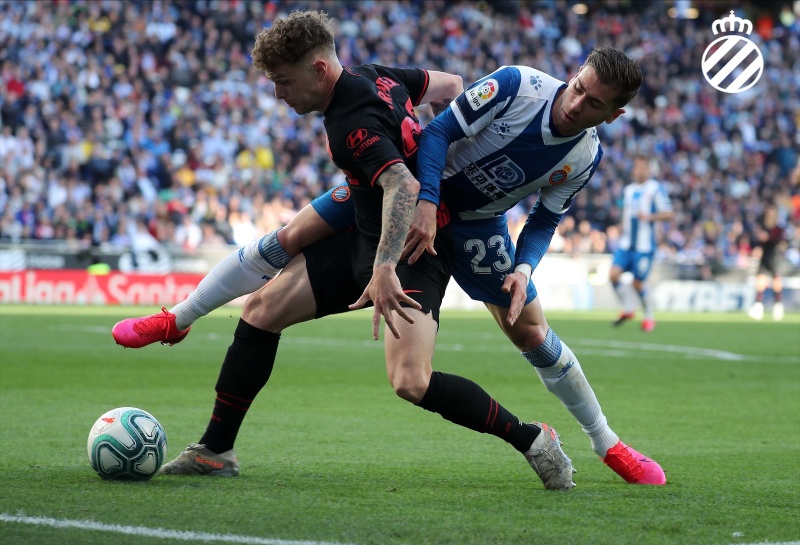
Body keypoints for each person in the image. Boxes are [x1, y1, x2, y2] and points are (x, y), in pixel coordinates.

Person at [114, 44, 665, 485]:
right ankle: (195, 378)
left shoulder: (583, 156)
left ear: (613, 115)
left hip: (474, 227)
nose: (576, 103)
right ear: (573, 73)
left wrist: (524, 269)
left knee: (529, 330)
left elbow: (544, 219)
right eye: (578, 87)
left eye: (593, 103)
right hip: (404, 192)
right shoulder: (519, 85)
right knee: (278, 268)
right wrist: (426, 198)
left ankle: (607, 443)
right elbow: (440, 132)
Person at [608, 155, 673, 332]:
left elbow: (668, 213)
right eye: (637, 166)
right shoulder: (628, 190)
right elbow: (627, 215)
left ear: (649, 170)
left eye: (643, 167)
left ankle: (649, 316)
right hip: (626, 244)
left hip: (645, 247)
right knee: (613, 275)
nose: (640, 170)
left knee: (637, 284)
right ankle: (628, 308)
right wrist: (620, 227)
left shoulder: (655, 188)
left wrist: (650, 217)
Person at [748, 205, 786, 321]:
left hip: (774, 256)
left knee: (776, 280)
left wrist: (768, 238)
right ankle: (758, 305)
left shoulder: (778, 229)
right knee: (760, 281)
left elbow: (780, 241)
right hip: (764, 256)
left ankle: (778, 305)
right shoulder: (762, 227)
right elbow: (755, 242)